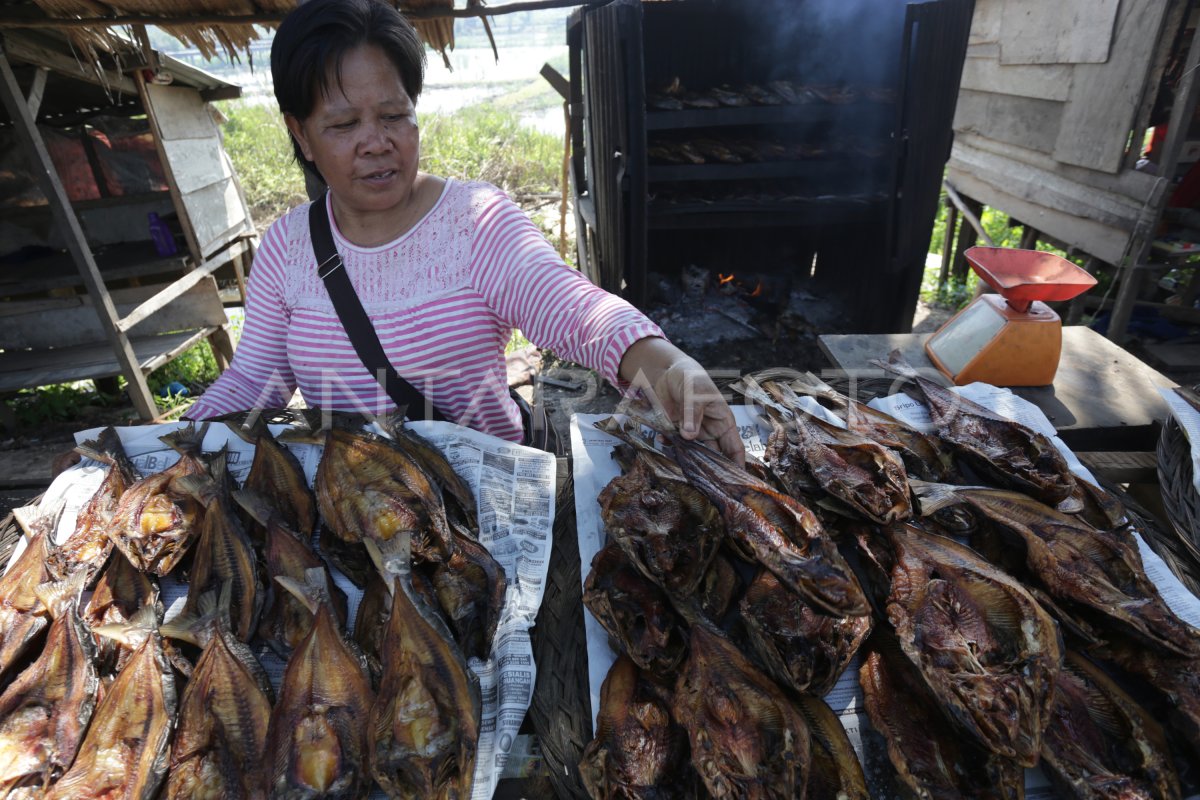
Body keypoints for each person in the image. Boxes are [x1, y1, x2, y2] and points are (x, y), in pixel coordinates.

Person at [185, 0, 743, 465]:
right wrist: (167, 449)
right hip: (354, 506)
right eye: (344, 124)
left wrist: (665, 362)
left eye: (394, 115)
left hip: (486, 499)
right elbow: (255, 380)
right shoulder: (287, 247)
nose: (377, 142)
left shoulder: (475, 220)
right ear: (301, 135)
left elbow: (573, 308)